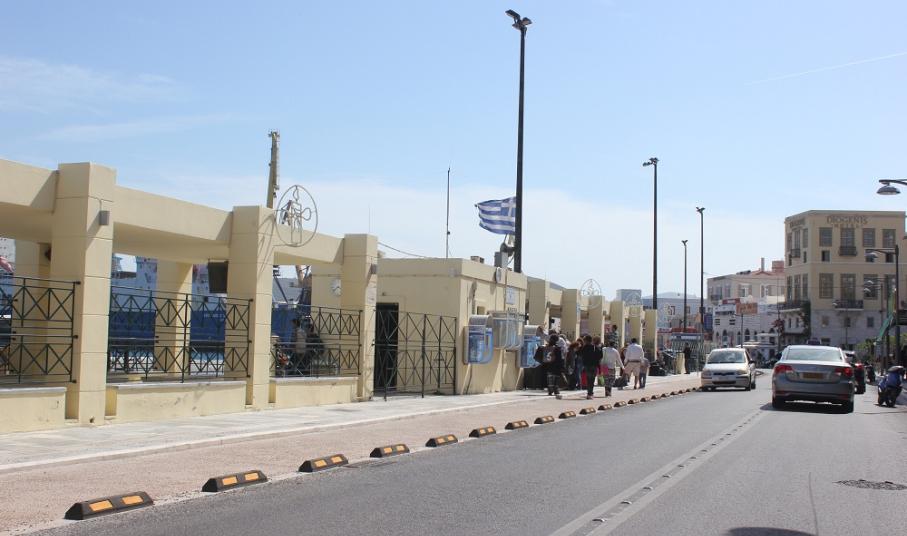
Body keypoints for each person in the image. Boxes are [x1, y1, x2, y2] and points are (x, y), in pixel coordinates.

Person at [542, 334, 565, 399]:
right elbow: (560, 358)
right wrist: (562, 366)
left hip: (548, 364)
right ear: (557, 340)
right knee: (556, 379)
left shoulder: (546, 347)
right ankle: (556, 390)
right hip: (556, 365)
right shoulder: (557, 348)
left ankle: (550, 391)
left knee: (550, 378)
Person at [579, 334, 601, 400]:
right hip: (594, 365)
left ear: (586, 340)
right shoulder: (595, 347)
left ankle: (589, 393)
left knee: (588, 379)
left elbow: (580, 354)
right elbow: (600, 356)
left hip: (587, 365)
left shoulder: (584, 347)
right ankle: (590, 393)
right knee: (592, 379)